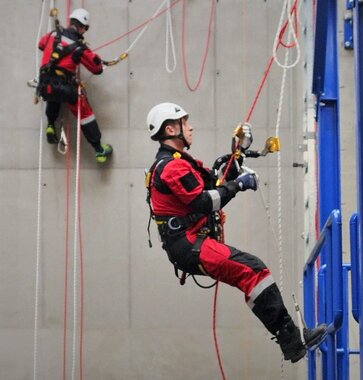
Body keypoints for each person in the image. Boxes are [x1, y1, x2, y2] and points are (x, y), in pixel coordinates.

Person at [145, 102, 327, 363]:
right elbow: (205, 201)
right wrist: (239, 185)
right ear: (172, 129)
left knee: (252, 272)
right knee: (252, 270)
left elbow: (215, 183)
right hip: (188, 244)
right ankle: (291, 340)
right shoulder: (171, 167)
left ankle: (292, 340)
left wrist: (237, 154)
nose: (191, 127)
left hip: (191, 241)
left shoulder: (181, 163)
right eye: (186, 123)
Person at [38, 8, 113, 163]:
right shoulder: (80, 47)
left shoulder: (52, 34)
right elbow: (97, 68)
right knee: (85, 114)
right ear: (82, 26)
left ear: (71, 21)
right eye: (86, 29)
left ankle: (51, 124)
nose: (85, 32)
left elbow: (41, 44)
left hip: (45, 85)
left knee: (53, 95)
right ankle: (99, 150)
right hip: (65, 88)